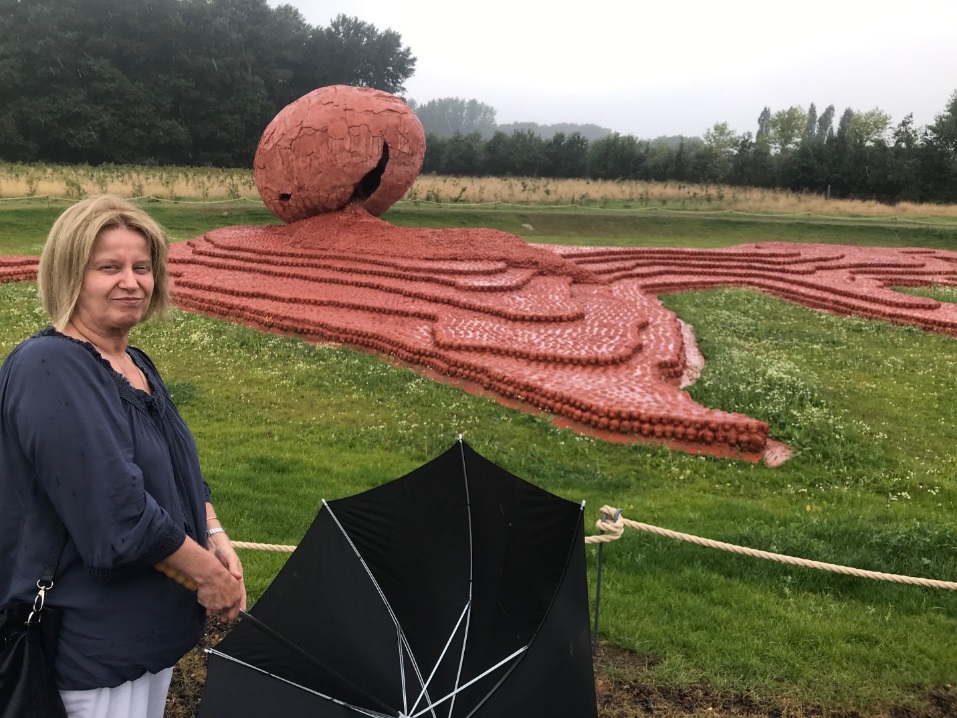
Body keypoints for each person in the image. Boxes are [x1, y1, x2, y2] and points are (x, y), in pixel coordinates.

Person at [0, 194, 246, 718]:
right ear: (70, 275)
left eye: (143, 267)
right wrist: (209, 576)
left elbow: (176, 467)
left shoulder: (131, 360)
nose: (131, 282)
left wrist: (214, 531)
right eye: (108, 267)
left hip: (147, 634)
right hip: (88, 643)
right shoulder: (51, 366)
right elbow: (117, 515)